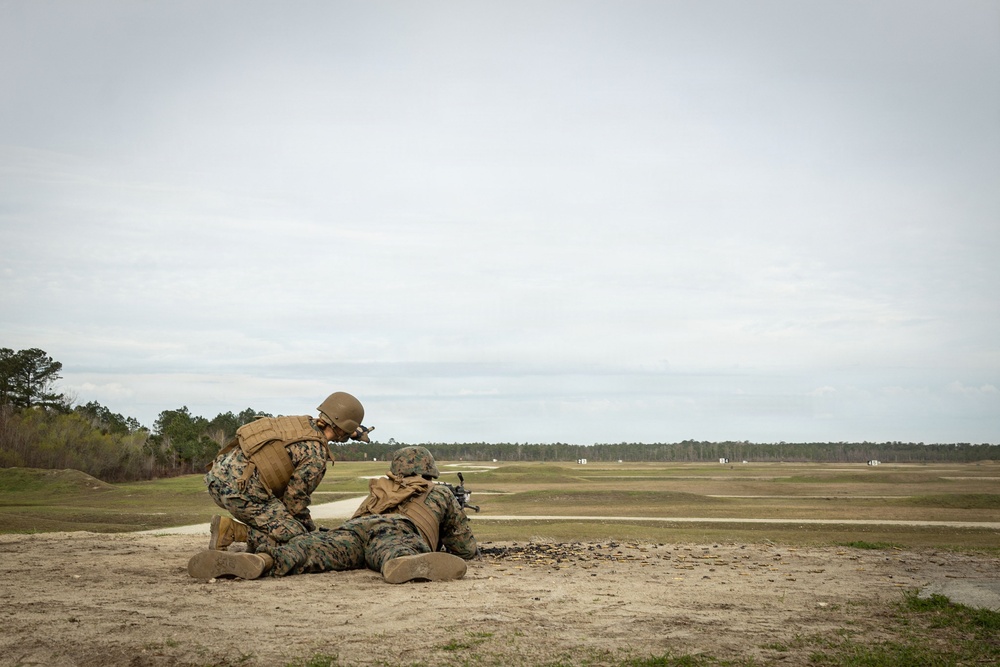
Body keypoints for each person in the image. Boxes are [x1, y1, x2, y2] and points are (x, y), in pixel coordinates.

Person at [188, 446, 478, 584]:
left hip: (354, 530)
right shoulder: (439, 492)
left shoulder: (383, 487)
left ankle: (261, 561)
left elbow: (359, 522)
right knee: (395, 549)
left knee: (309, 550)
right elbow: (464, 548)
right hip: (400, 531)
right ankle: (400, 563)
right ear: (430, 470)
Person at [203, 391, 370, 554]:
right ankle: (232, 531)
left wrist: (353, 432)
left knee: (277, 515)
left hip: (217, 480)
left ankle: (257, 539)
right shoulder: (316, 454)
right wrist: (308, 530)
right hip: (241, 493)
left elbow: (337, 426)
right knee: (298, 540)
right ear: (344, 427)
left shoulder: (302, 423)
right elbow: (294, 500)